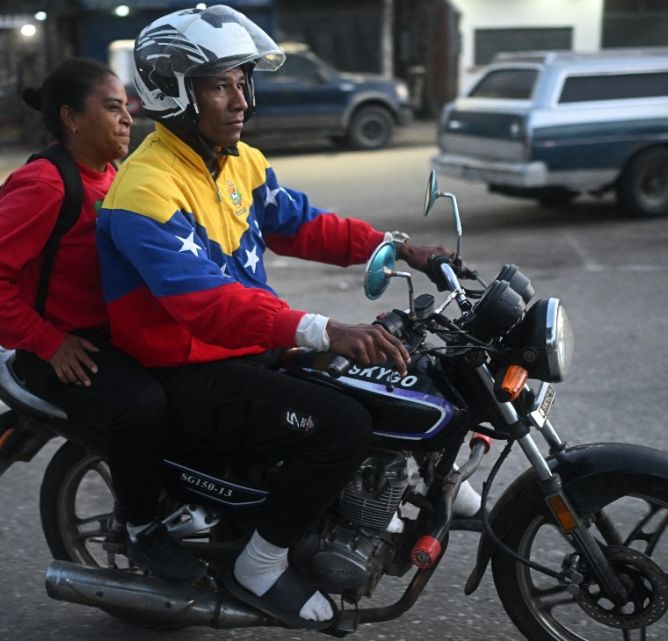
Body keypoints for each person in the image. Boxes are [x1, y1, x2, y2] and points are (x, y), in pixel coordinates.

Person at [96, 6, 477, 627]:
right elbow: (203, 305)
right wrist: (326, 329)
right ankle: (262, 564)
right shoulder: (145, 188)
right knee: (341, 426)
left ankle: (409, 499)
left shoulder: (237, 159)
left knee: (399, 378)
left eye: (244, 82)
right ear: (171, 90)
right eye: (220, 84)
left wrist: (396, 245)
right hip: (187, 368)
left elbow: (300, 223)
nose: (241, 99)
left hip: (248, 346)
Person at [0, 58, 204, 585]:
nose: (126, 119)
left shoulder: (113, 176)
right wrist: (48, 342)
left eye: (127, 108)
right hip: (64, 351)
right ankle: (140, 525)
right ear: (71, 117)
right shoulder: (44, 185)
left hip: (112, 334)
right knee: (143, 403)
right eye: (112, 108)